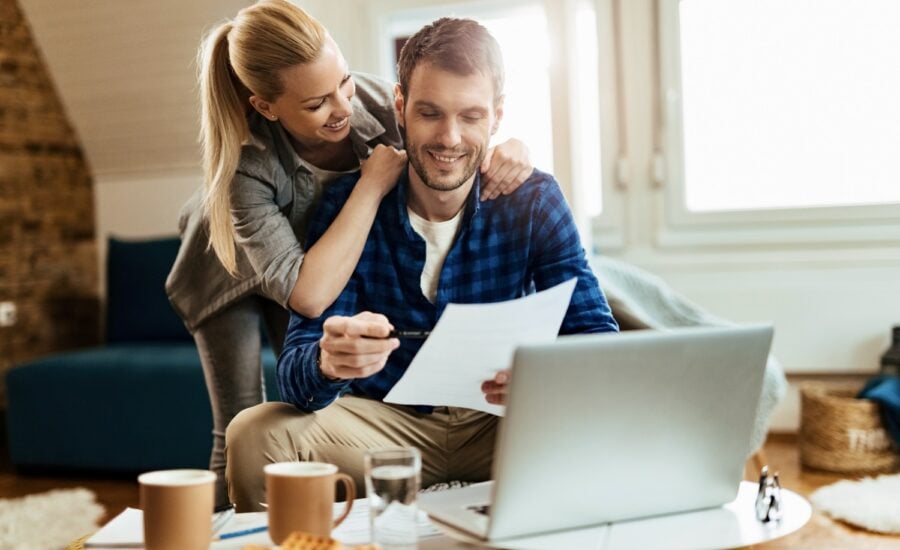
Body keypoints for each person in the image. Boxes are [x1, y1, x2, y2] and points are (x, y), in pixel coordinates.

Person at [224, 16, 620, 512]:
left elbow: (597, 339)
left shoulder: (532, 199)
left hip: (503, 424)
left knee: (624, 416)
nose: (449, 138)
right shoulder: (350, 206)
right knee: (253, 435)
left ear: (497, 116)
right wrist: (329, 362)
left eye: (471, 116)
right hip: (386, 429)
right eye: (430, 113)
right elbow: (297, 374)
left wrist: (548, 378)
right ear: (399, 107)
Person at [164, 0, 534, 508]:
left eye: (344, 82)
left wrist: (510, 148)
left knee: (317, 392)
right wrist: (371, 185)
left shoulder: (379, 102)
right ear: (266, 107)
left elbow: (455, 139)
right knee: (239, 423)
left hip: (317, 254)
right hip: (227, 270)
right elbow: (311, 295)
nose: (342, 107)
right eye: (317, 103)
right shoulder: (244, 174)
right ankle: (229, 536)